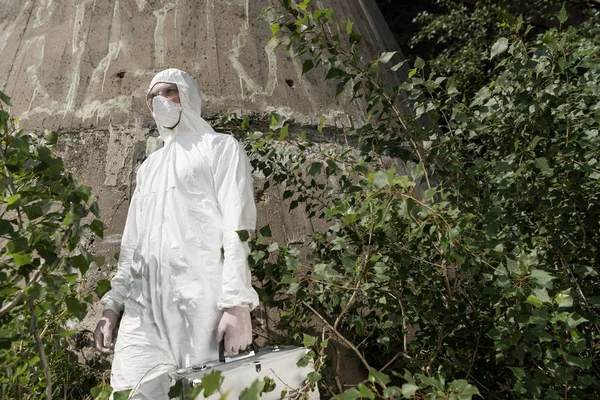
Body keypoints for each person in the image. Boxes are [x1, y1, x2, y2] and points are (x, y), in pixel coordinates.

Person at [94, 68, 259, 398]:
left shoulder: (220, 147)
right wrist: (112, 307)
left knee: (205, 392)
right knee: (131, 391)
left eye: (168, 91)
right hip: (144, 307)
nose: (159, 101)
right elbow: (132, 245)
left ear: (188, 95)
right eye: (151, 97)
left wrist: (237, 304)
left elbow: (237, 225)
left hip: (201, 299)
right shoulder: (149, 167)